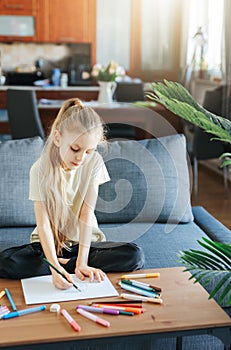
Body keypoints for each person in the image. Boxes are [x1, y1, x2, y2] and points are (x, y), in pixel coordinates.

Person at [0, 98, 144, 289]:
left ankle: (72, 264)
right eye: (75, 149)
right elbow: (42, 224)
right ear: (58, 138)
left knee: (134, 255)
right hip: (48, 246)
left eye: (88, 151)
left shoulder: (94, 162)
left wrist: (82, 261)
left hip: (86, 245)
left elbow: (86, 214)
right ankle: (59, 264)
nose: (81, 158)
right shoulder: (40, 169)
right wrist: (53, 266)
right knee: (6, 261)